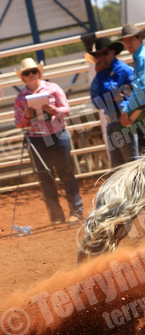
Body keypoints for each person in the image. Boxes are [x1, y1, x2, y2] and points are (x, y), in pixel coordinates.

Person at [14, 58, 84, 224]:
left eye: (33, 71)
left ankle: (76, 211)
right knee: (46, 178)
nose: (31, 75)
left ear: (38, 73)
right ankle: (56, 215)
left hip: (57, 135)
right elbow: (18, 123)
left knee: (66, 173)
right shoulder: (20, 98)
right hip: (37, 139)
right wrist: (26, 116)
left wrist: (54, 110)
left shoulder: (53, 88)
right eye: (27, 73)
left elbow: (66, 110)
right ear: (23, 77)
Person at [87, 36, 137, 167]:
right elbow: (96, 102)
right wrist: (111, 97)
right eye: (99, 55)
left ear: (112, 51)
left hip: (125, 118)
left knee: (131, 162)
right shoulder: (101, 74)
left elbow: (135, 93)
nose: (101, 58)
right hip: (112, 120)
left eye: (104, 53)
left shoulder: (124, 70)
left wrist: (117, 98)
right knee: (117, 164)